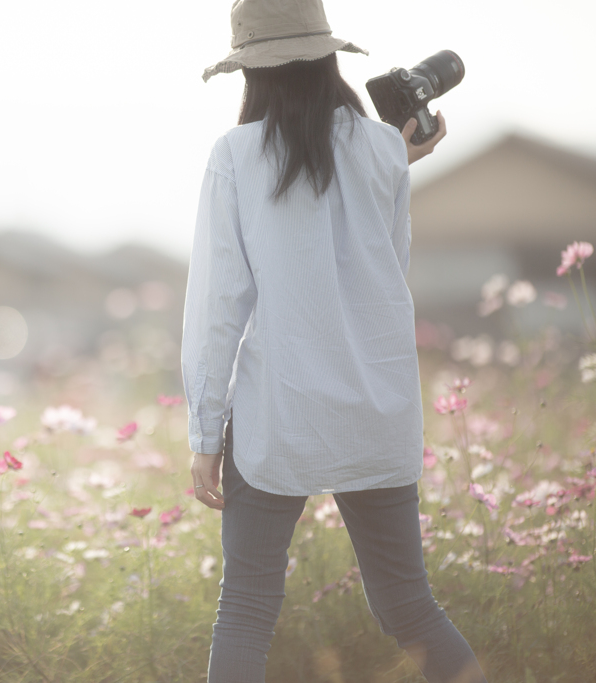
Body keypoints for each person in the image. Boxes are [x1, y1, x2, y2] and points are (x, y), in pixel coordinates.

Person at [181, 1, 487, 682]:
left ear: (251, 71)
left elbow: (216, 309)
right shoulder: (384, 148)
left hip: (280, 415)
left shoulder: (235, 156)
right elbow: (386, 271)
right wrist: (394, 161)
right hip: (378, 409)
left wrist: (204, 436)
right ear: (327, 57)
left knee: (246, 613)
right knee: (410, 606)